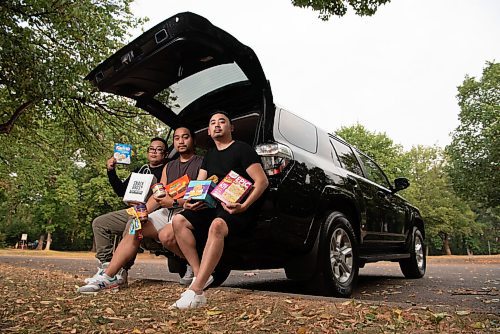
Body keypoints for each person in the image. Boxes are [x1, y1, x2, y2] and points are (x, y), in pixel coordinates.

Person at [78, 126, 203, 294]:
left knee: (166, 236)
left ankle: (196, 268)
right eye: (177, 138)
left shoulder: (201, 162)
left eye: (185, 137)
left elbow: (197, 193)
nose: (181, 141)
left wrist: (173, 202)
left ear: (193, 140)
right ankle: (109, 276)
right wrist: (142, 212)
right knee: (134, 224)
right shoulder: (168, 167)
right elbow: (160, 194)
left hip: (185, 210)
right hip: (164, 210)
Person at [171, 111, 269, 309]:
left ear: (231, 128)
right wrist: (189, 201)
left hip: (237, 207)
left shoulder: (243, 149)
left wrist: (244, 205)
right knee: (178, 221)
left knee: (217, 225)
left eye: (222, 121)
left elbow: (262, 181)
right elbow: (201, 183)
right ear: (208, 131)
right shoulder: (210, 155)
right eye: (212, 122)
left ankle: (196, 291)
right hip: (212, 205)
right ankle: (201, 276)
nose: (217, 125)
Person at [84, 137, 167, 288]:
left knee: (132, 224)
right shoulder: (140, 169)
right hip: (132, 209)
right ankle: (106, 267)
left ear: (165, 154)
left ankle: (121, 270)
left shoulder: (167, 169)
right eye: (151, 149)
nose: (154, 152)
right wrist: (111, 170)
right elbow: (121, 191)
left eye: (159, 149)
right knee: (99, 223)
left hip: (152, 213)